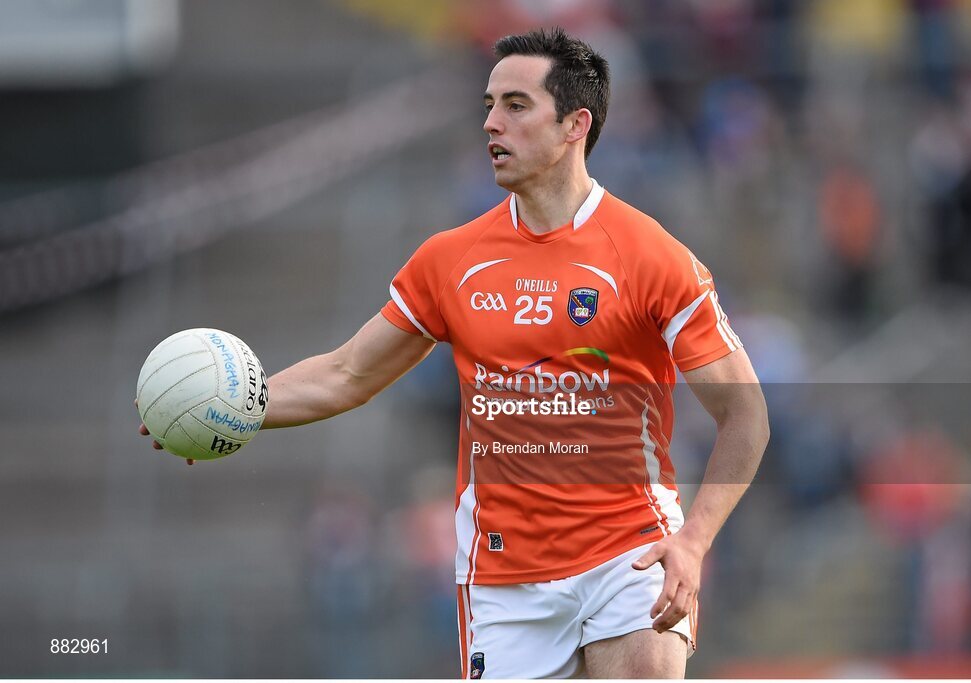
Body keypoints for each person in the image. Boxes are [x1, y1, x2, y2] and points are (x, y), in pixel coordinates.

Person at [140, 27, 768, 679]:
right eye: (489, 105)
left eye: (516, 105)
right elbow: (347, 373)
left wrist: (693, 542)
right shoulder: (450, 260)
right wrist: (232, 407)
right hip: (503, 577)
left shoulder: (652, 256)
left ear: (575, 125)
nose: (492, 123)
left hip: (630, 555)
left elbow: (745, 414)